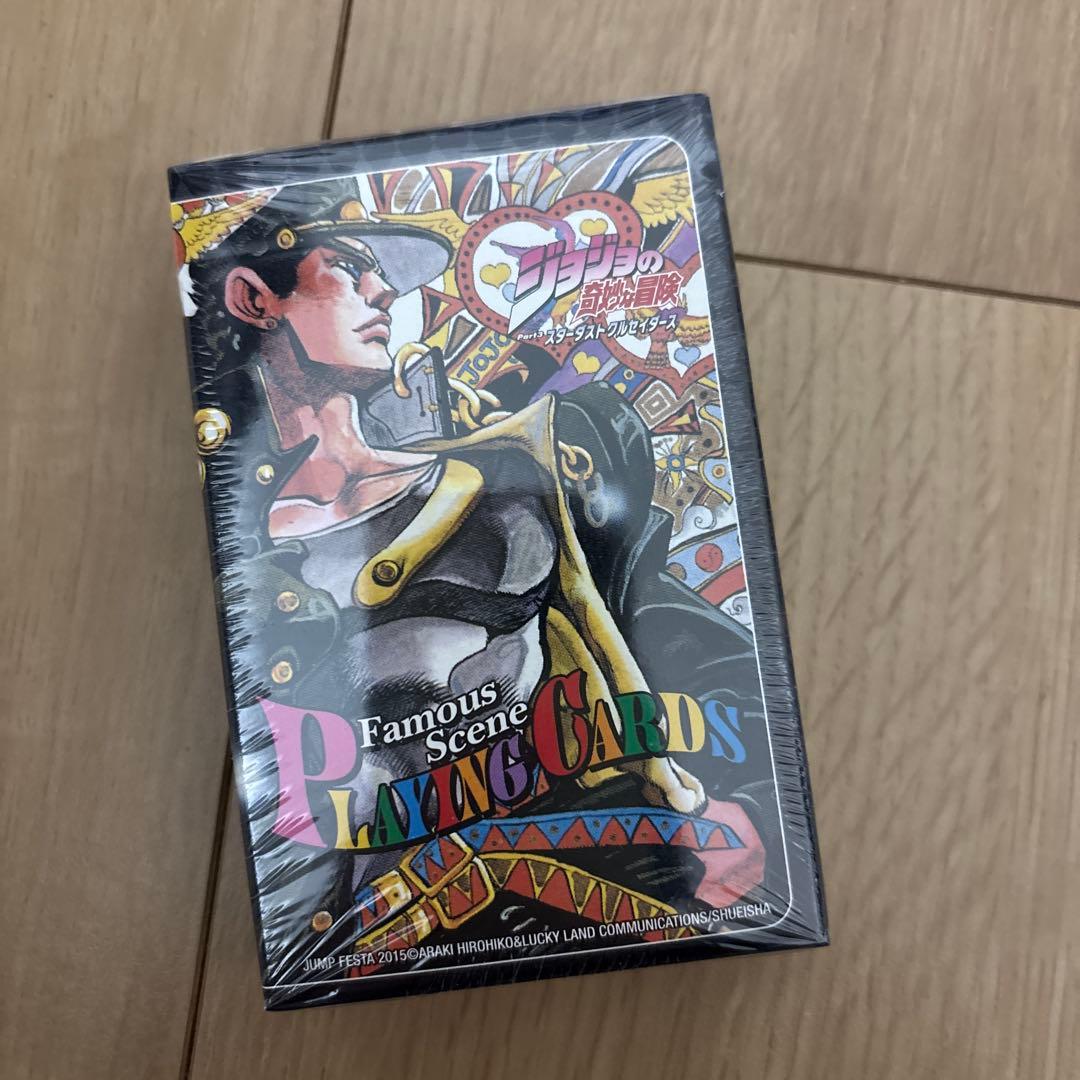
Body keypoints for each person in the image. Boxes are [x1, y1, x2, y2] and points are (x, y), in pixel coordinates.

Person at [180, 177, 777, 982]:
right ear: (255, 298)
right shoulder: (248, 560)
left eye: (382, 276)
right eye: (349, 266)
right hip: (393, 927)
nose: (383, 292)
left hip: (612, 863)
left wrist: (739, 799)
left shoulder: (509, 472)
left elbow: (647, 628)